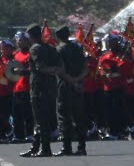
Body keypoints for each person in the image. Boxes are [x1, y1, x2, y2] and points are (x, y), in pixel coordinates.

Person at [21, 24, 63, 158]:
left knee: (40, 120)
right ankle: (35, 147)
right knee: (43, 119)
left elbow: (40, 68)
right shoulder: (50, 48)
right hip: (51, 87)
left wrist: (50, 71)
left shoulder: (35, 48)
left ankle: (45, 149)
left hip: (39, 88)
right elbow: (59, 65)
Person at [55, 25, 88, 156]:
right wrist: (77, 81)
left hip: (64, 86)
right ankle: (81, 146)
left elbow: (60, 69)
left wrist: (71, 80)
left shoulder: (58, 50)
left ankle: (66, 147)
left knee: (64, 117)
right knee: (79, 116)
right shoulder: (78, 48)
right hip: (78, 85)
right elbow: (86, 67)